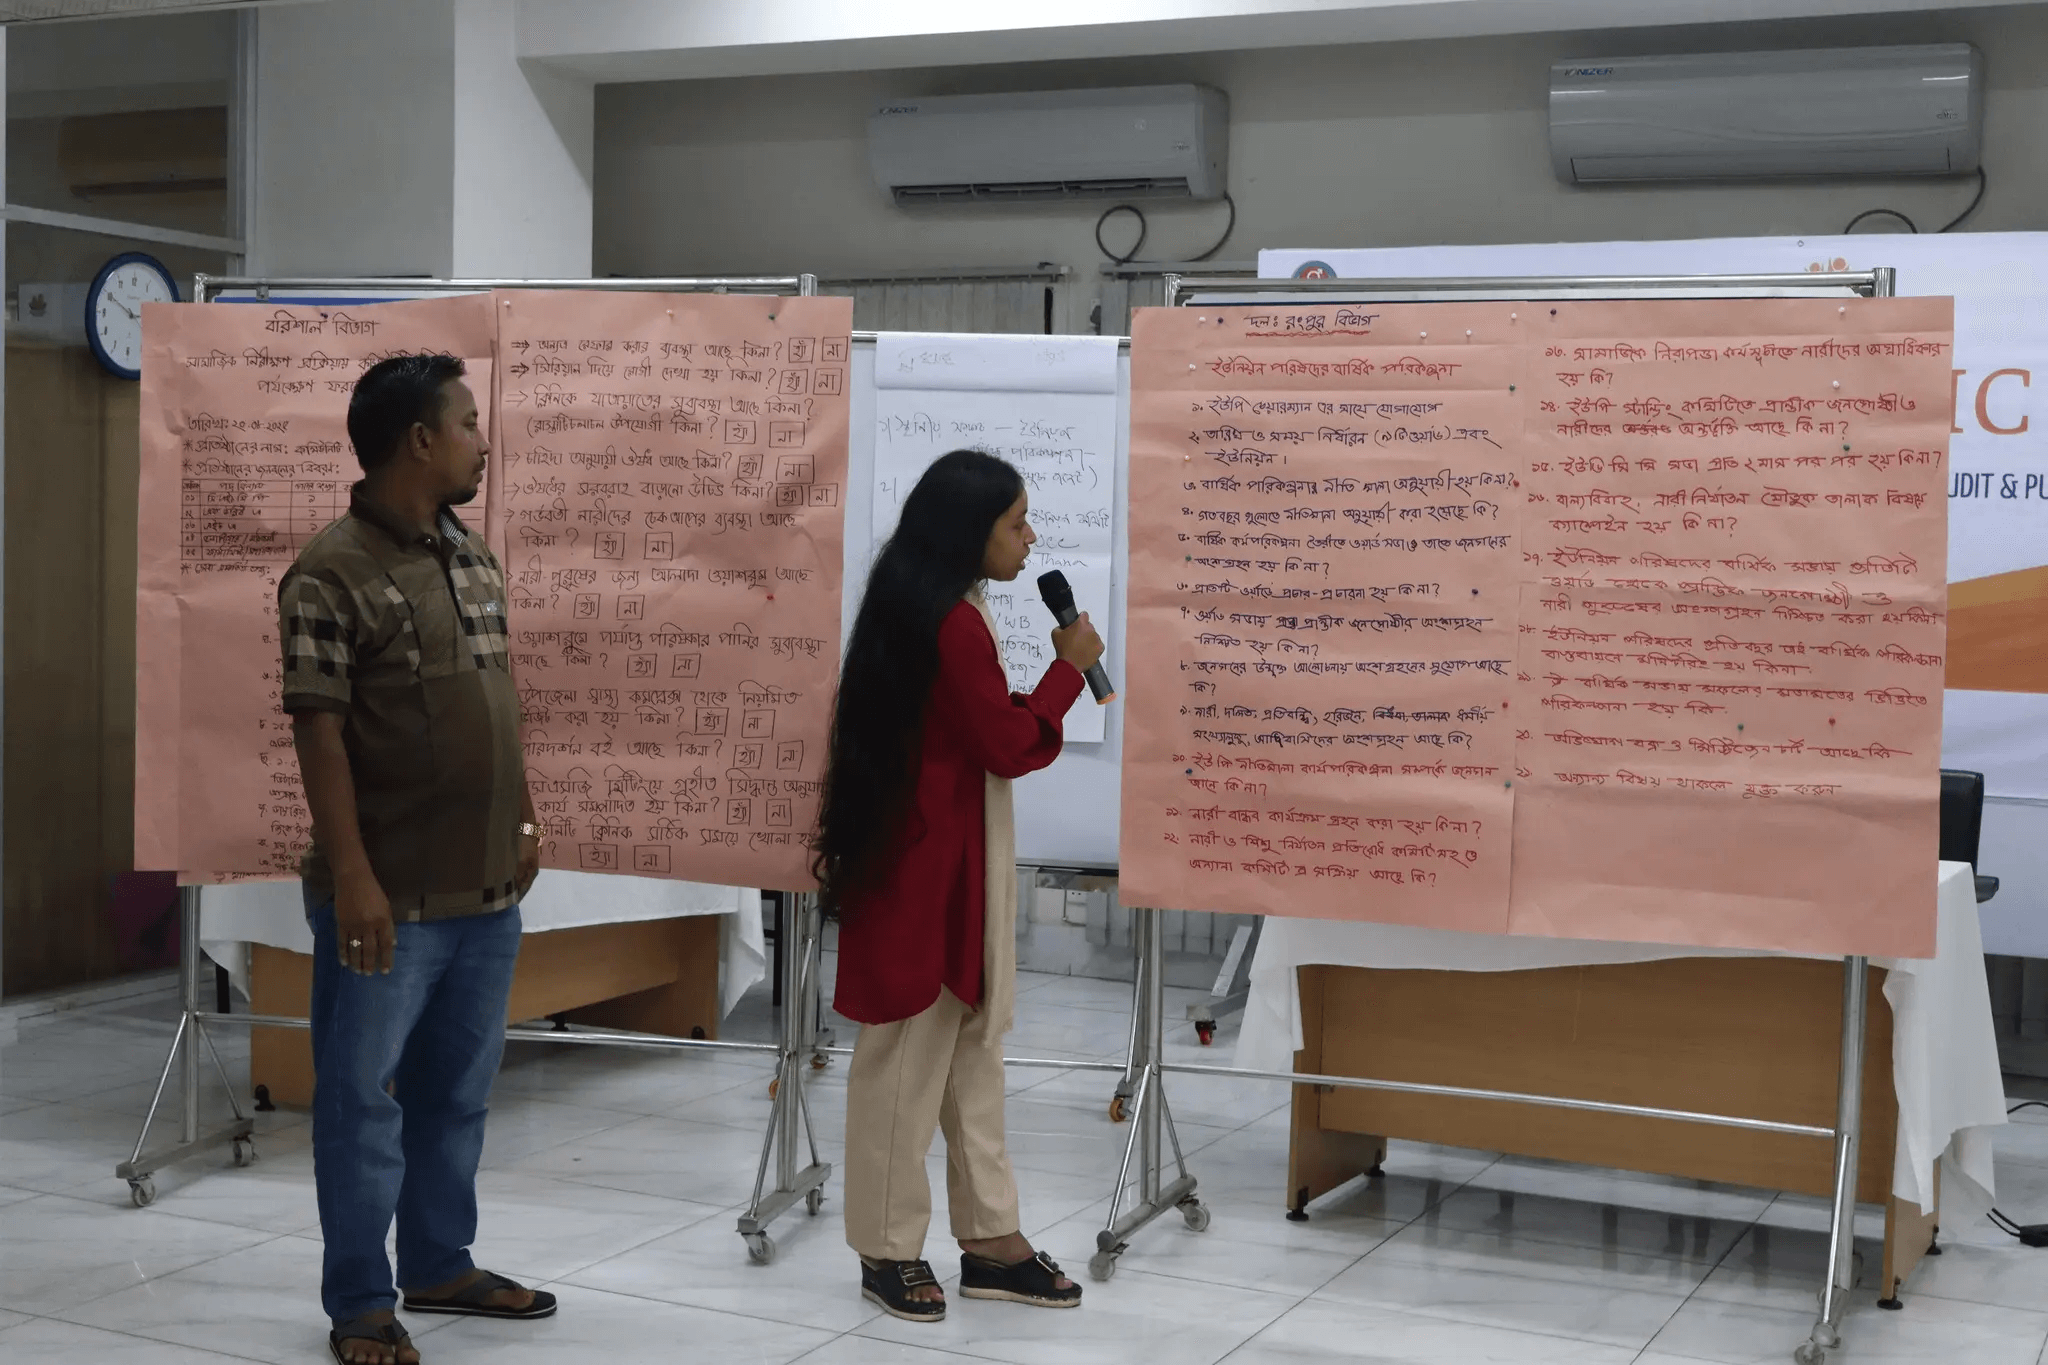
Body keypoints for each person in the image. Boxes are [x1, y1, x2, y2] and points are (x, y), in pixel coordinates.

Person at [278, 354, 556, 1365]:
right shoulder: (329, 571)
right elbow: (318, 731)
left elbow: (495, 698)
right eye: (469, 424)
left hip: (485, 894)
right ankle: (361, 1303)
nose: (484, 442)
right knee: (362, 1106)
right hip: (387, 899)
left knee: (457, 1094)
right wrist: (352, 877)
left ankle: (439, 1262)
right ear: (420, 440)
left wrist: (523, 812)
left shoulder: (467, 551)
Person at [814, 449, 1106, 1321]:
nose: (1030, 538)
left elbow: (976, 729)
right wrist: (1068, 670)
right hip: (926, 874)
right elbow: (1005, 743)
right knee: (906, 1062)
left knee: (973, 1056)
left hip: (954, 860)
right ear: (969, 530)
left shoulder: (940, 604)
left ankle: (991, 1238)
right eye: (1016, 523)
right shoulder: (947, 620)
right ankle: (886, 1245)